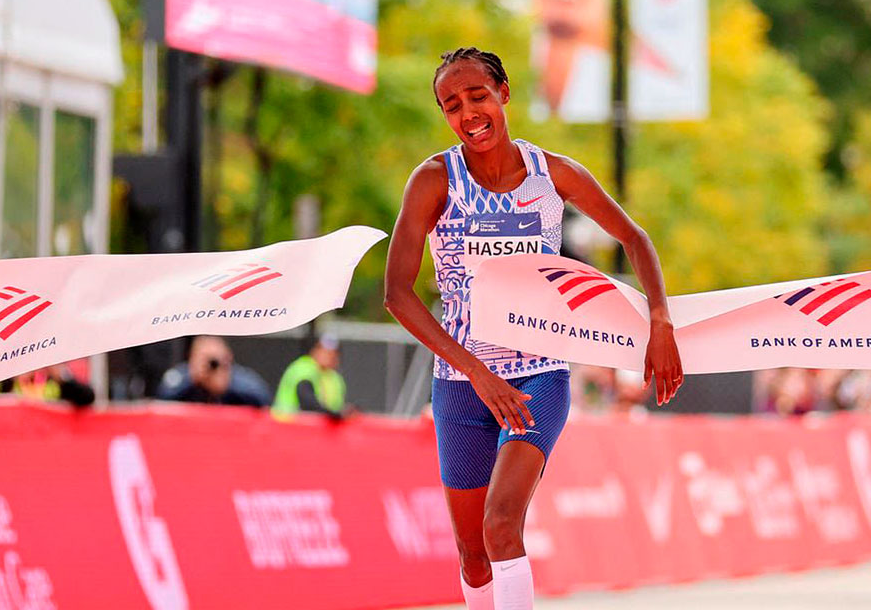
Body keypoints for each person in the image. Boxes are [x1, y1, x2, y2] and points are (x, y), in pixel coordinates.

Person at [384, 47, 683, 610]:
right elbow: (396, 293)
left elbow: (635, 238)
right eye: (452, 105)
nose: (468, 112)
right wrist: (476, 374)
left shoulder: (554, 174)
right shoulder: (433, 180)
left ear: (504, 93)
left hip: (535, 376)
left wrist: (660, 319)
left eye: (478, 96)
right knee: (472, 552)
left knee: (501, 525)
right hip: (461, 383)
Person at [156, 335, 271, 406]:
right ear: (192, 357)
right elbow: (162, 398)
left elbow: (263, 399)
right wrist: (193, 379)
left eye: (214, 361)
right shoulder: (182, 375)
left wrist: (226, 385)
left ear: (228, 357)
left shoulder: (239, 377)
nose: (211, 366)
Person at [272, 335, 348, 420]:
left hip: (319, 428)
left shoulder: (334, 377)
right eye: (322, 350)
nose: (327, 355)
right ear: (314, 350)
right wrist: (333, 414)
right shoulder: (304, 367)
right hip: (287, 424)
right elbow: (307, 400)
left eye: (332, 352)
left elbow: (336, 406)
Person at [0, 363, 94, 407]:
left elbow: (88, 397)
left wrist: (62, 379)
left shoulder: (55, 378)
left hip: (49, 437)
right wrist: (11, 376)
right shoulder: (11, 378)